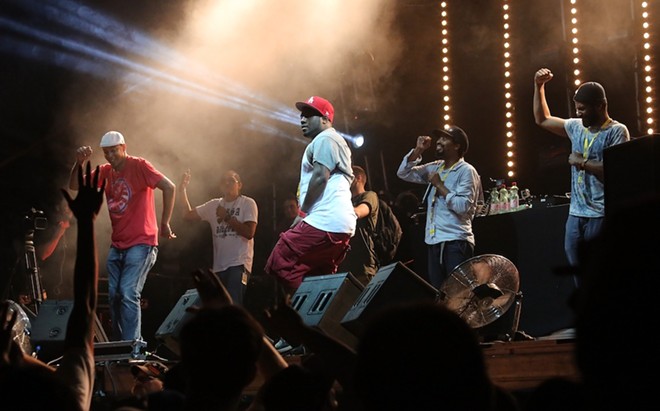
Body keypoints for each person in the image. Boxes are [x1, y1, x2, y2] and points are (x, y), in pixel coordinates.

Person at [69, 130, 176, 341]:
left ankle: (132, 346)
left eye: (114, 151)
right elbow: (74, 186)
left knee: (128, 292)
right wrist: (79, 162)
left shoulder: (139, 165)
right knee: (114, 296)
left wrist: (164, 223)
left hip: (142, 242)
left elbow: (169, 186)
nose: (110, 156)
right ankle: (120, 346)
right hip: (117, 245)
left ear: (124, 148)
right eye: (106, 152)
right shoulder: (105, 171)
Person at [533, 68, 630, 268]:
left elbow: (617, 171)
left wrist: (582, 163)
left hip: (601, 214)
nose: (578, 113)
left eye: (583, 109)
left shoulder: (616, 131)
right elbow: (542, 119)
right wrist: (538, 86)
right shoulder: (576, 126)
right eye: (577, 108)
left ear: (601, 106)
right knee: (578, 273)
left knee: (598, 272)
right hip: (576, 214)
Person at [265, 96, 356, 298]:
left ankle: (296, 314)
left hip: (323, 221)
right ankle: (316, 322)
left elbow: (320, 178)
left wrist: (302, 213)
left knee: (280, 258)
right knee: (316, 279)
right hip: (340, 227)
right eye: (301, 116)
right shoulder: (335, 141)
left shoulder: (325, 139)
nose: (302, 120)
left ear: (325, 118)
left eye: (308, 115)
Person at [397, 126, 482, 289]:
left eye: (445, 138)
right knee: (440, 294)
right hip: (434, 241)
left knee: (459, 295)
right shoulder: (436, 167)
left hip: (456, 242)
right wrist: (418, 150)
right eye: (439, 138)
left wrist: (439, 185)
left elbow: (463, 206)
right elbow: (403, 173)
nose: (439, 141)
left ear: (457, 145)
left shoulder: (466, 171)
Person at [178, 169, 258, 305]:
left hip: (238, 264)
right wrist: (182, 190)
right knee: (215, 307)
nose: (227, 183)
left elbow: (249, 233)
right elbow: (187, 215)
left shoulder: (247, 203)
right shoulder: (214, 205)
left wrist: (226, 217)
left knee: (233, 306)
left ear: (240, 185)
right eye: (224, 181)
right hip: (218, 268)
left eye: (231, 180)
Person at [337, 165, 379, 286]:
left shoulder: (369, 195)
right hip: (345, 266)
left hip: (363, 266)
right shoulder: (346, 201)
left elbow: (358, 212)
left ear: (358, 178)